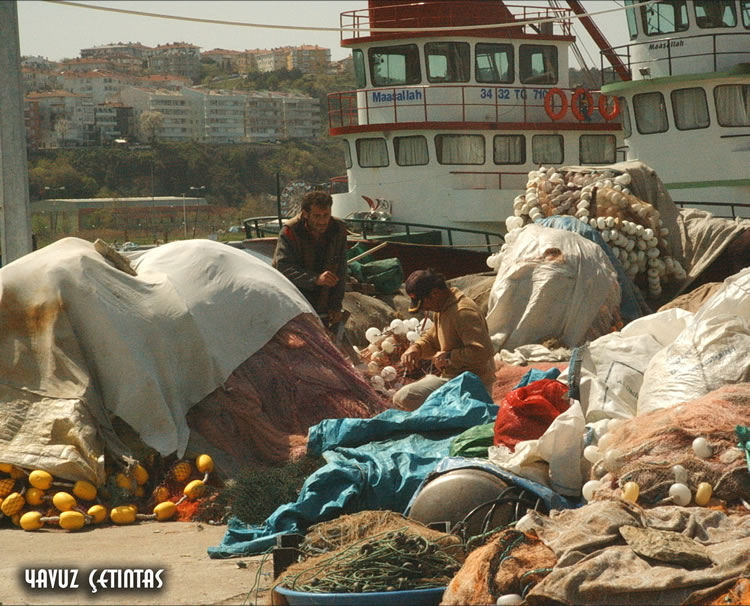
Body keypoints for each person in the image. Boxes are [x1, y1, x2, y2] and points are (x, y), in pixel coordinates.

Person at [393, 268, 496, 410]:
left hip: (472, 384)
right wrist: (416, 348)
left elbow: (483, 351)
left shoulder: (463, 312)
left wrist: (449, 356)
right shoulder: (443, 309)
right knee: (401, 398)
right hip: (453, 379)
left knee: (406, 398)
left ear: (435, 292)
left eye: (424, 304)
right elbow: (431, 337)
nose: (424, 309)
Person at [272, 190, 348, 325]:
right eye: (317, 216)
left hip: (323, 299)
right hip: (294, 298)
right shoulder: (290, 231)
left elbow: (341, 268)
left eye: (326, 215)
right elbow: (283, 268)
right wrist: (315, 279)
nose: (323, 221)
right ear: (305, 214)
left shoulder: (338, 228)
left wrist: (336, 306)